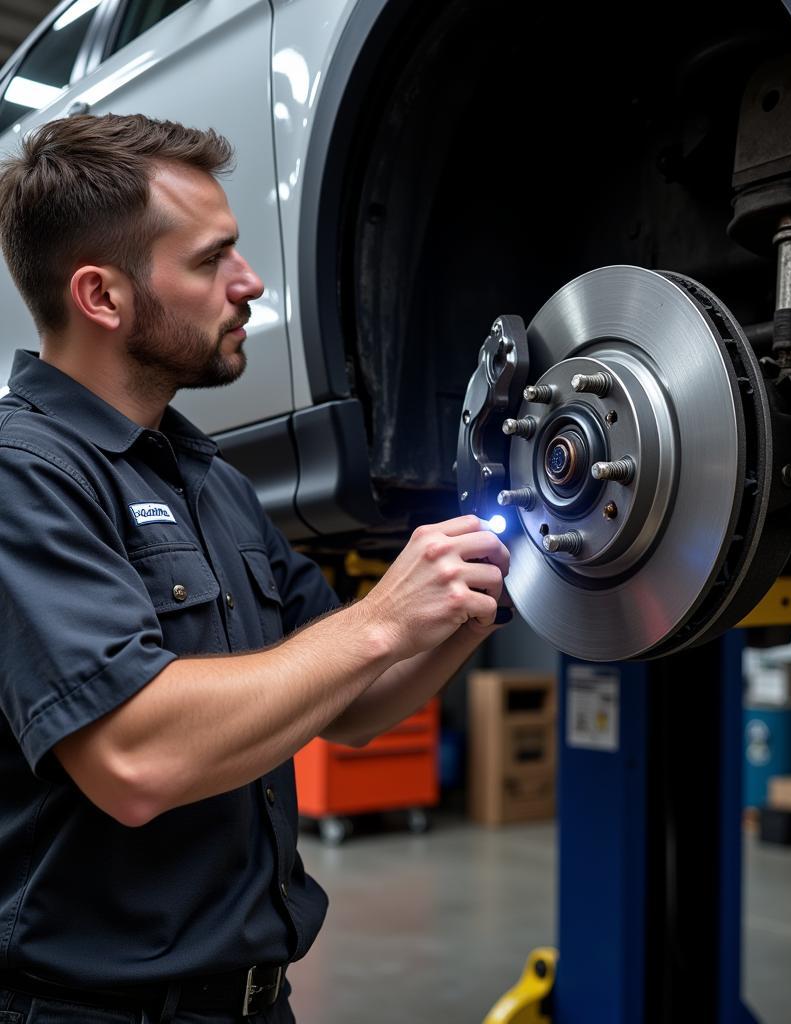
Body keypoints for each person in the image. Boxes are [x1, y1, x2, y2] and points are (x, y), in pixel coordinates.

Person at [0, 113, 510, 1023]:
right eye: (209, 261)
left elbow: (350, 699)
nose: (250, 283)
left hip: (252, 1002)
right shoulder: (24, 475)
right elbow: (135, 758)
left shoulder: (213, 479)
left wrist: (482, 588)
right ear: (101, 297)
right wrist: (383, 616)